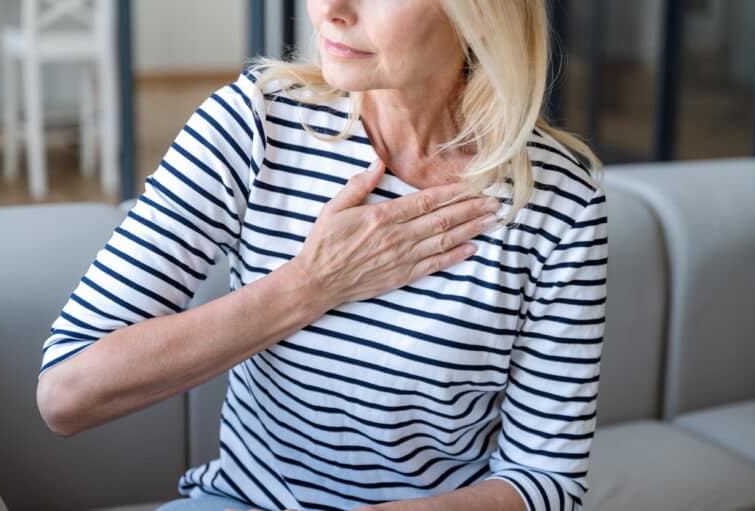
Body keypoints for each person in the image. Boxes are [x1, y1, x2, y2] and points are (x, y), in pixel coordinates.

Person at [35, 1, 608, 510]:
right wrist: (312, 284)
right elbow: (66, 393)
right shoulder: (253, 126)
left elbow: (546, 478)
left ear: (480, 11)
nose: (331, 8)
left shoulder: (561, 200)